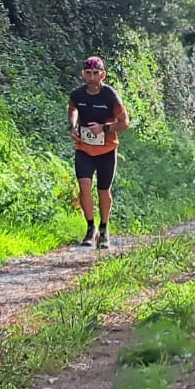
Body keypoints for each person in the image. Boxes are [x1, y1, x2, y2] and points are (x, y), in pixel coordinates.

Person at [68, 57, 129, 248]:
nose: (92, 77)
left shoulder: (110, 95)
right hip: (84, 149)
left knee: (104, 190)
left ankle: (104, 228)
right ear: (83, 74)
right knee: (84, 186)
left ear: (103, 74)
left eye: (96, 73)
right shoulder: (77, 94)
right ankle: (90, 228)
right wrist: (73, 126)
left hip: (106, 150)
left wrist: (104, 128)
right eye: (88, 73)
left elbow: (125, 122)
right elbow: (73, 109)